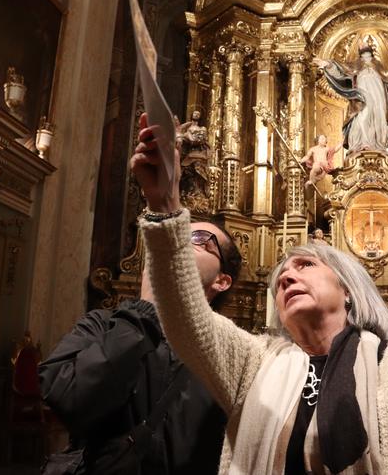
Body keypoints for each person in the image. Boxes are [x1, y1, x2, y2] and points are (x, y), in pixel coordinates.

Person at [130, 112, 388, 474]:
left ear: (348, 289)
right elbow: (183, 314)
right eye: (281, 276)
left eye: (305, 266)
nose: (286, 277)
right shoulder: (251, 362)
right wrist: (164, 204)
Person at [39, 116, 242, 473]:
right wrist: (148, 309)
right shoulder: (101, 325)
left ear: (222, 281)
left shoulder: (232, 353)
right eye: (179, 234)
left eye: (198, 240)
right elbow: (70, 402)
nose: (180, 243)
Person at [313, 43, 388, 156]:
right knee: (362, 117)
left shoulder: (380, 67)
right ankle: (361, 144)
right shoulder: (354, 66)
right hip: (361, 97)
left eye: (365, 45)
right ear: (359, 52)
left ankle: (378, 145)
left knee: (378, 119)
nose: (363, 45)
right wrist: (328, 65)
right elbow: (340, 73)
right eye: (361, 46)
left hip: (378, 98)